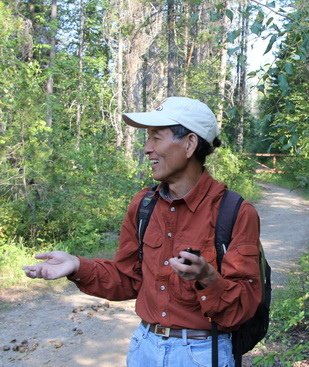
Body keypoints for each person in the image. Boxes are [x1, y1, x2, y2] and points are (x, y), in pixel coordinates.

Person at [23, 97, 262, 367]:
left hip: (202, 353)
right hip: (144, 348)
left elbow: (242, 308)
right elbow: (128, 280)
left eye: (156, 138)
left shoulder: (236, 212)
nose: (147, 149)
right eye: (147, 139)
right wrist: (78, 265)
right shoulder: (143, 205)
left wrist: (207, 278)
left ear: (189, 144)